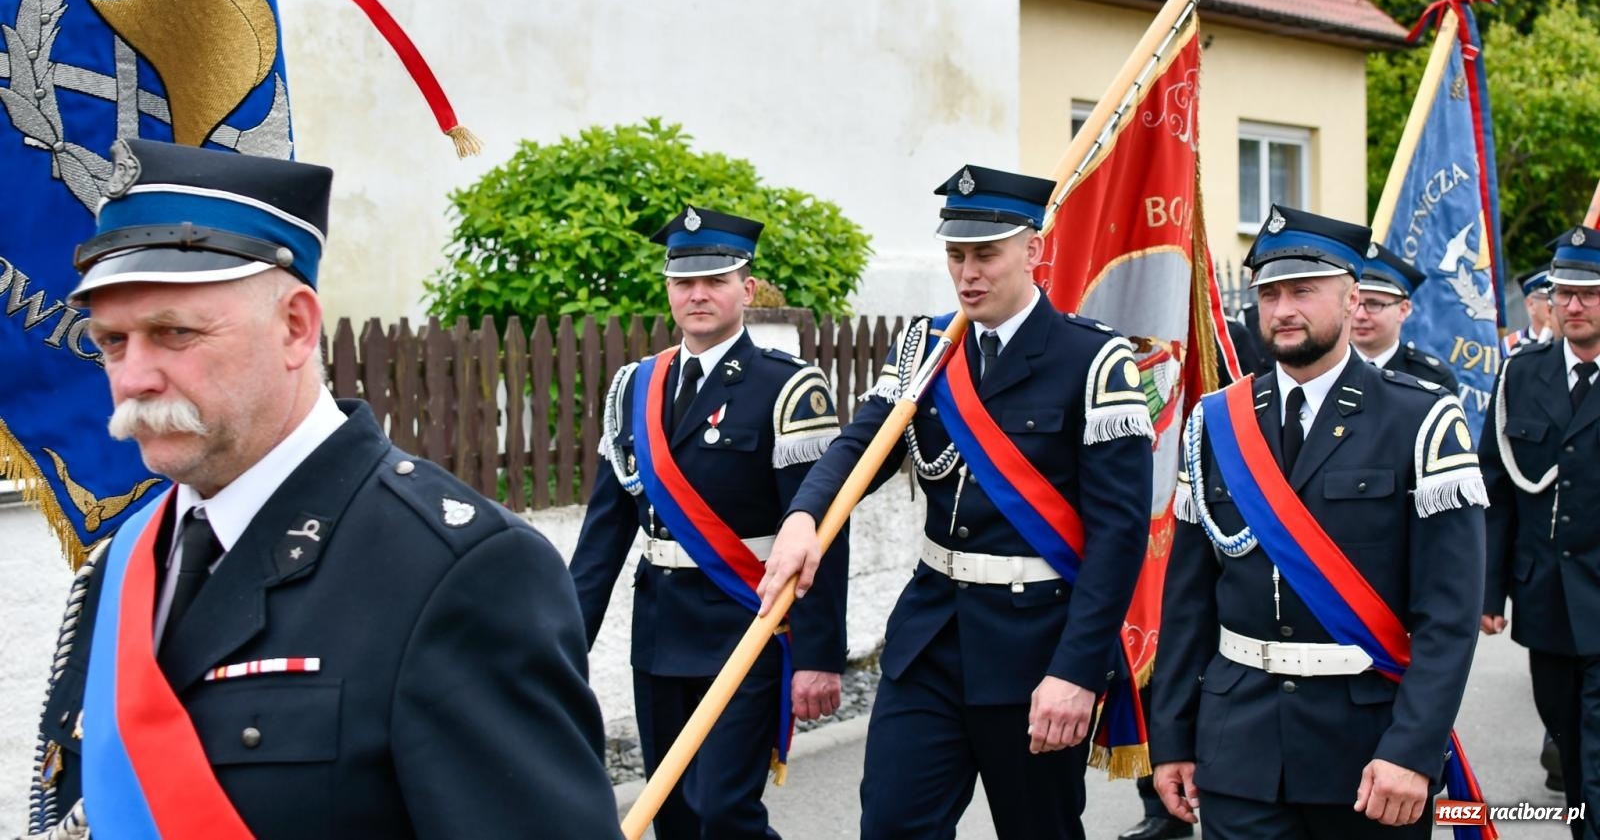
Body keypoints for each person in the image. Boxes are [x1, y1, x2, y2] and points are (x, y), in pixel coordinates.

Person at [31, 139, 619, 838]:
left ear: (295, 326)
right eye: (112, 342)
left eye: (173, 333)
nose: (133, 378)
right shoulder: (120, 566)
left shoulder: (459, 571)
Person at [758, 164, 1154, 840]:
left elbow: (1119, 537)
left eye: (986, 254)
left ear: (1033, 250)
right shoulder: (927, 347)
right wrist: (803, 515)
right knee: (890, 824)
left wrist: (1075, 671)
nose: (968, 272)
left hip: (1036, 646)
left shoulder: (1094, 361)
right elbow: (860, 446)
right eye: (956, 254)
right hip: (932, 635)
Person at [1149, 203, 1487, 839]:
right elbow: (1188, 600)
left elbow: (1448, 614)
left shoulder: (1420, 420)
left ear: (1352, 297)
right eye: (1269, 294)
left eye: (1303, 291)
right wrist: (1170, 736)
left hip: (1368, 752)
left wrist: (1412, 751)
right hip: (1237, 745)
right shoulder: (1217, 422)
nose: (1282, 311)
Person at [569, 205, 847, 840]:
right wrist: (562, 644)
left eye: (715, 280)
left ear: (745, 290)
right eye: (683, 281)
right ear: (668, 290)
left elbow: (823, 532)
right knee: (674, 812)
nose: (697, 294)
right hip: (661, 629)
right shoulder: (635, 387)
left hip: (745, 623)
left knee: (725, 811)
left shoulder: (789, 388)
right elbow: (603, 537)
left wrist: (819, 655)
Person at [1482, 225, 1600, 840]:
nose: (1573, 305)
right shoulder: (1520, 376)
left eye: (1589, 293)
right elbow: (1495, 489)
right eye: (1564, 292)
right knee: (1567, 735)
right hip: (1546, 597)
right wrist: (1488, 591)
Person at [1350, 242, 1458, 391]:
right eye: (1354, 303)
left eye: (1374, 304)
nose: (1360, 315)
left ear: (1403, 309)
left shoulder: (1431, 378)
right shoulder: (1323, 368)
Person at [1501, 268, 1556, 358]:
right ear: (1530, 304)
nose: (1554, 304)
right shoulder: (1509, 344)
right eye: (1548, 298)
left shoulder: (1571, 342)